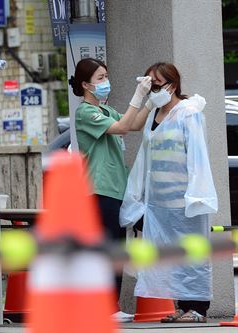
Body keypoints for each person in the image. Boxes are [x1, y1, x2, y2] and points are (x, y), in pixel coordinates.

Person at [120, 62, 217, 323]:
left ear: (172, 86)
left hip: (183, 198)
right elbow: (139, 140)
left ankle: (197, 309)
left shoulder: (188, 113)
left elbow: (197, 155)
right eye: (148, 83)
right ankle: (180, 306)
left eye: (156, 84)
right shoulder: (154, 114)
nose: (151, 88)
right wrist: (144, 98)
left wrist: (197, 194)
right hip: (158, 202)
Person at [68, 58, 152, 322]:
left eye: (106, 76)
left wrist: (151, 102)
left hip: (115, 188)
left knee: (115, 248)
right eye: (100, 78)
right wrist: (138, 96)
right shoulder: (85, 113)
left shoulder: (105, 111)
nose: (106, 82)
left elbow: (134, 124)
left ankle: (110, 307)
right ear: (85, 85)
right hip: (98, 189)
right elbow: (123, 127)